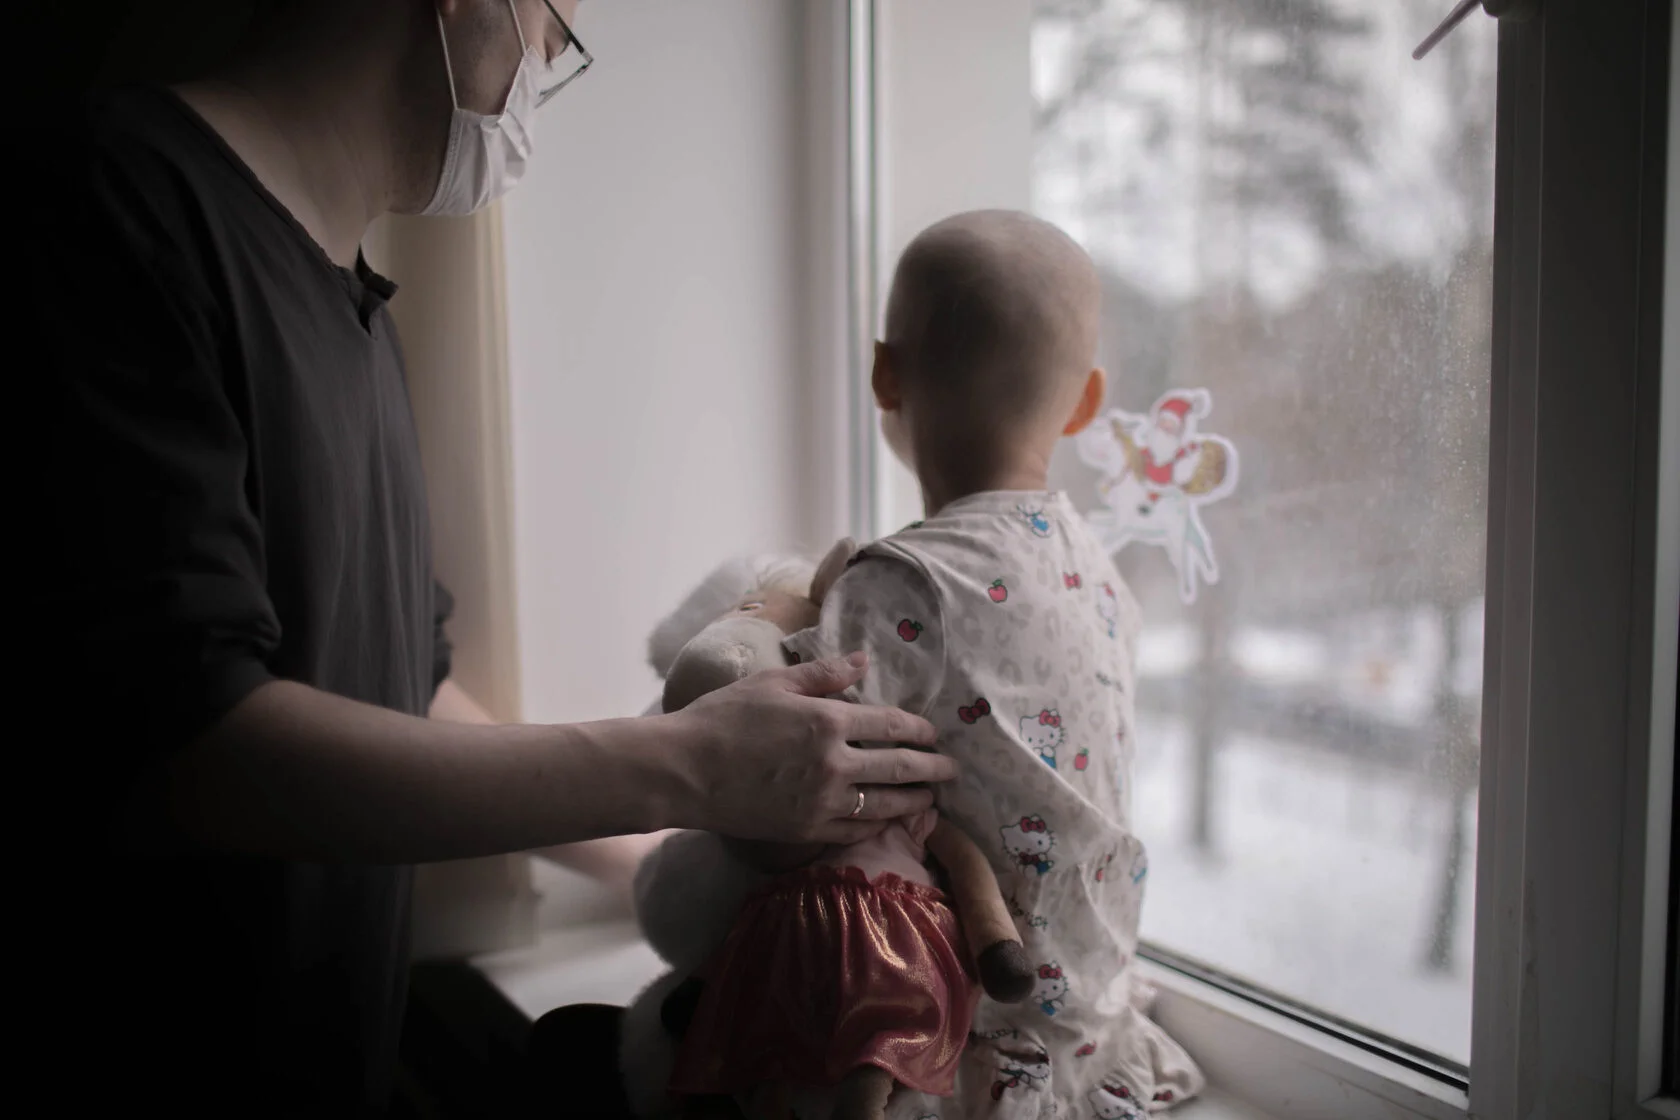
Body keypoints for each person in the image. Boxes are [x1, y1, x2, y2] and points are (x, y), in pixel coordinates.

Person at [28, 2, 952, 1115]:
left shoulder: (354, 310)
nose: (543, 77)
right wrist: (687, 765)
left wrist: (684, 872)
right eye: (555, 34)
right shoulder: (117, 207)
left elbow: (402, 692)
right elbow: (201, 743)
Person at [663, 211, 1206, 1117]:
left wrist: (768, 611)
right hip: (1084, 1038)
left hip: (945, 1053)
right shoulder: (1106, 580)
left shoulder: (901, 584)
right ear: (1084, 403)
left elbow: (775, 799)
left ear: (886, 375)